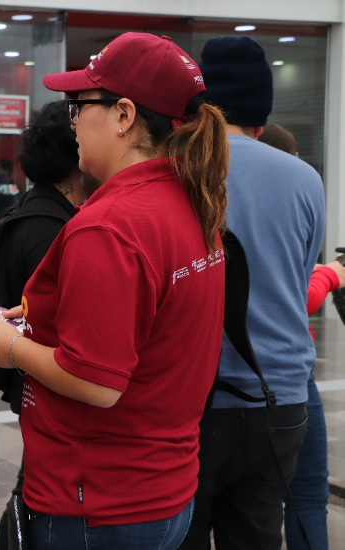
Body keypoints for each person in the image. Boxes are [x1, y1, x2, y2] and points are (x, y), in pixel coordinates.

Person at [0, 33, 228, 549]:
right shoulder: (191, 202)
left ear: (124, 115)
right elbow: (151, 328)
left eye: (78, 106)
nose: (73, 123)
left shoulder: (107, 226)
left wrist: (10, 347)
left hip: (99, 503)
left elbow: (97, 383)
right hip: (166, 489)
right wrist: (45, 318)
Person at [181, 36, 326, 550]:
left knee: (182, 535)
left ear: (197, 110)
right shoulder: (306, 180)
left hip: (193, 400)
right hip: (280, 400)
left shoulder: (176, 173)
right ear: (262, 120)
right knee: (260, 534)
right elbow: (298, 277)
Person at [0, 100, 98, 549]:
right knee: (34, 501)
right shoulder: (55, 229)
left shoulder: (22, 213)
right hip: (48, 387)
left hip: (27, 381)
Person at [260, 120, 331, 550]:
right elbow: (298, 295)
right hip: (288, 375)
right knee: (305, 492)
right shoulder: (296, 197)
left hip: (238, 376)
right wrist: (331, 273)